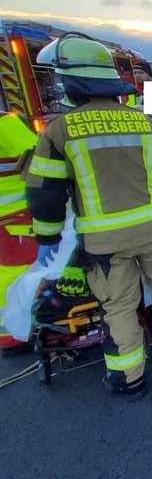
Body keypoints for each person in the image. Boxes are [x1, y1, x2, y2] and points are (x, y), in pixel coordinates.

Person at [25, 33, 152, 398]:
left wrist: (47, 238)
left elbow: (44, 192)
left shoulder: (59, 131)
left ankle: (130, 378)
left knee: (119, 306)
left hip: (105, 243)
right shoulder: (147, 123)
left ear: (71, 83)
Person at [0, 112, 39, 355]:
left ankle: (10, 334)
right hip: (14, 217)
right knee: (19, 274)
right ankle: (17, 333)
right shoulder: (4, 123)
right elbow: (40, 155)